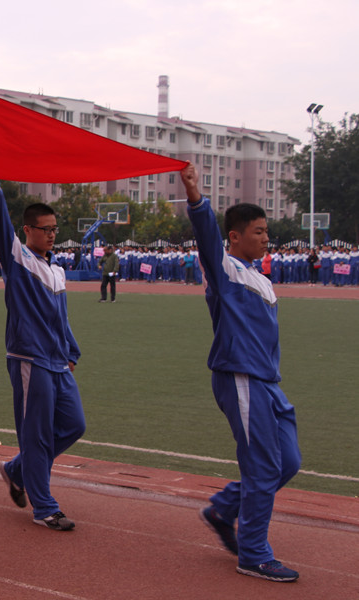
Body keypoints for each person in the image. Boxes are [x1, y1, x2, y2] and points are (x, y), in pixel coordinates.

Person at [181, 162, 301, 583]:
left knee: (288, 461)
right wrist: (196, 196)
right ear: (235, 237)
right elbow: (206, 236)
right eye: (258, 232)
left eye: (267, 231)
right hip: (242, 379)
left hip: (268, 384)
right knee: (263, 468)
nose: (266, 238)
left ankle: (223, 508)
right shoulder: (225, 270)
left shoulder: (260, 278)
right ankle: (253, 554)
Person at [0, 182, 85, 531]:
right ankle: (44, 507)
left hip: (58, 361)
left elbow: (61, 317)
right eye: (46, 229)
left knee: (74, 424)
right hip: (30, 358)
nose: (52, 235)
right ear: (28, 230)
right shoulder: (17, 259)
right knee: (37, 435)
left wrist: (71, 350)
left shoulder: (56, 269)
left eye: (55, 229)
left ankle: (16, 470)